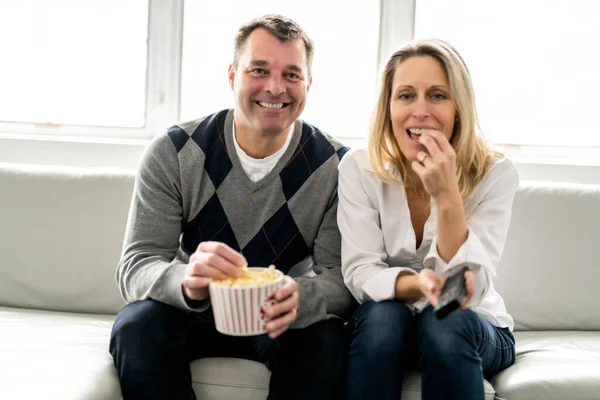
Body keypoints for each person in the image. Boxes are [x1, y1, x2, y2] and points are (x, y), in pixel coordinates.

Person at [110, 14, 354, 400]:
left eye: (292, 74)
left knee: (325, 341)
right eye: (259, 70)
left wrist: (301, 296)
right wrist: (187, 281)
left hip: (279, 316)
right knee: (136, 326)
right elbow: (137, 264)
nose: (275, 87)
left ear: (308, 83)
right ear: (232, 75)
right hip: (193, 309)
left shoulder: (337, 166)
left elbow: (341, 277)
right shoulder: (174, 152)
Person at [337, 38, 518, 400]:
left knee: (444, 320)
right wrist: (419, 284)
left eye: (437, 95)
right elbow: (360, 273)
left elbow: (470, 290)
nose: (420, 111)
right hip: (391, 327)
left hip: (474, 326)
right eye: (406, 95)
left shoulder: (495, 173)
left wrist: (447, 195)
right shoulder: (359, 168)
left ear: (458, 109)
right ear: (388, 108)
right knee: (382, 319)